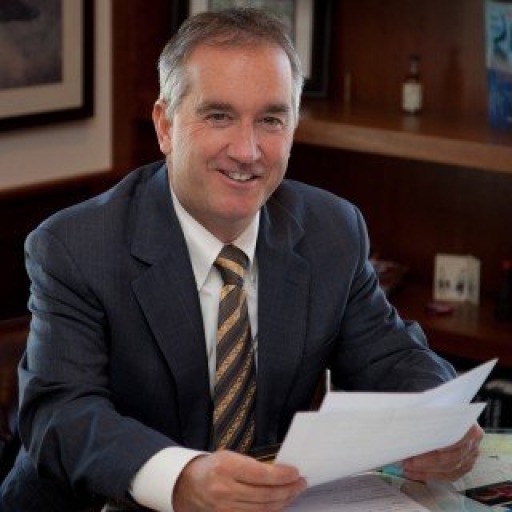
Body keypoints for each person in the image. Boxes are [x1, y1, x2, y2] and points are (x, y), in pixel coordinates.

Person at [1, 7, 483, 512]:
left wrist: (441, 421)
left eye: (271, 120)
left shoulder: (331, 230)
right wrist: (182, 477)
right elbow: (61, 413)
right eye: (219, 116)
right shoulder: (76, 246)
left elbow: (392, 357)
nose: (248, 150)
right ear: (165, 125)